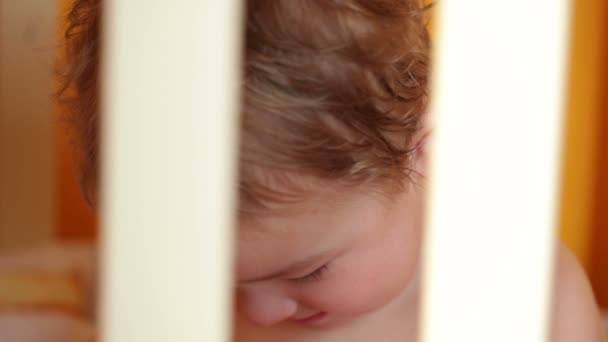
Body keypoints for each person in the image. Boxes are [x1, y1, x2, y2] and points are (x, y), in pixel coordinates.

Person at [61, 0, 606, 341]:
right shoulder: (177, 307)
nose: (263, 312)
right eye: (213, 279)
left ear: (427, 150)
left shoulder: (530, 295)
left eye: (307, 273)